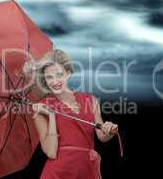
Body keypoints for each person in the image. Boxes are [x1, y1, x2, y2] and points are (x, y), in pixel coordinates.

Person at [24, 49, 118, 179]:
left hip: (87, 171)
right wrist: (51, 116)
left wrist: (109, 130)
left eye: (59, 75)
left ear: (68, 73)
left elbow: (102, 136)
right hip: (58, 173)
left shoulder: (90, 100)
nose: (54, 81)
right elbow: (51, 152)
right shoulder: (41, 107)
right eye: (49, 77)